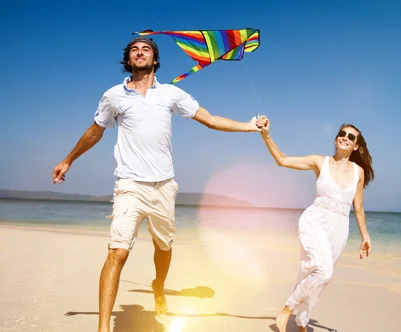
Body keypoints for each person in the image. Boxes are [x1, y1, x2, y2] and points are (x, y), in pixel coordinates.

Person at [51, 36, 263, 332]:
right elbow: (95, 131)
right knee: (118, 251)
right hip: (129, 185)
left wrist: (249, 125)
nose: (140, 52)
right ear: (128, 59)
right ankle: (102, 328)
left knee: (164, 246)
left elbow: (211, 119)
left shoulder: (171, 94)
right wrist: (68, 159)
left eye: (145, 49)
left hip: (164, 186)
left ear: (155, 58)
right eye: (134, 49)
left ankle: (158, 285)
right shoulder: (114, 95)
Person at [257, 118, 374, 332]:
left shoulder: (359, 172)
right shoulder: (320, 162)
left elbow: (358, 208)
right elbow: (282, 160)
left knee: (314, 277)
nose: (345, 138)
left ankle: (302, 323)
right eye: (342, 134)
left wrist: (365, 236)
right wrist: (266, 135)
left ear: (356, 145)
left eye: (351, 136)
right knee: (323, 272)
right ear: (336, 138)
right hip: (315, 221)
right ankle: (286, 309)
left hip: (339, 229)